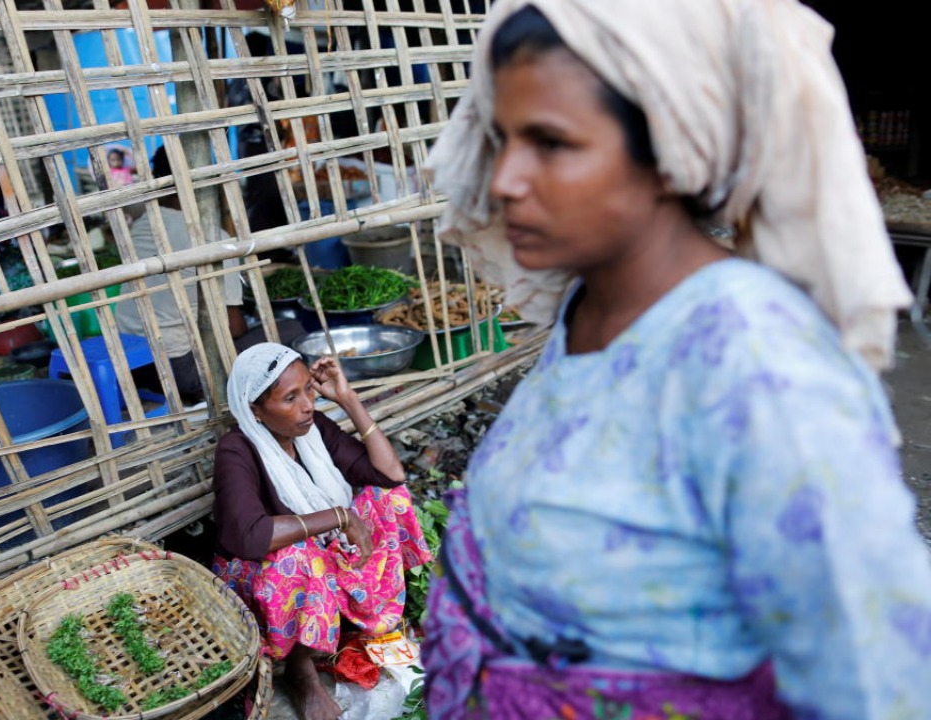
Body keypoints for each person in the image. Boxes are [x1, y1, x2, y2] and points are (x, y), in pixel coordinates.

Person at [419, 3, 931, 719]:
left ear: (669, 154)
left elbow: (877, 677)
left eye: (552, 142)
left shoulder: (756, 363)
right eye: (504, 138)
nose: (505, 179)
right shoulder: (588, 315)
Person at [211, 343, 431, 720]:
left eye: (308, 391)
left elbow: (390, 474)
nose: (307, 405)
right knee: (297, 557)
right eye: (290, 398)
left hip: (323, 556)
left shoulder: (313, 430)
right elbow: (250, 536)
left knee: (387, 499)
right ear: (256, 411)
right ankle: (301, 670)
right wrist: (339, 517)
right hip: (263, 578)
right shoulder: (236, 451)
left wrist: (348, 399)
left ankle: (366, 616)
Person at [118, 146, 303, 403]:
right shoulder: (215, 239)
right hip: (180, 372)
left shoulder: (142, 225)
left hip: (134, 363)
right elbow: (234, 328)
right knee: (293, 328)